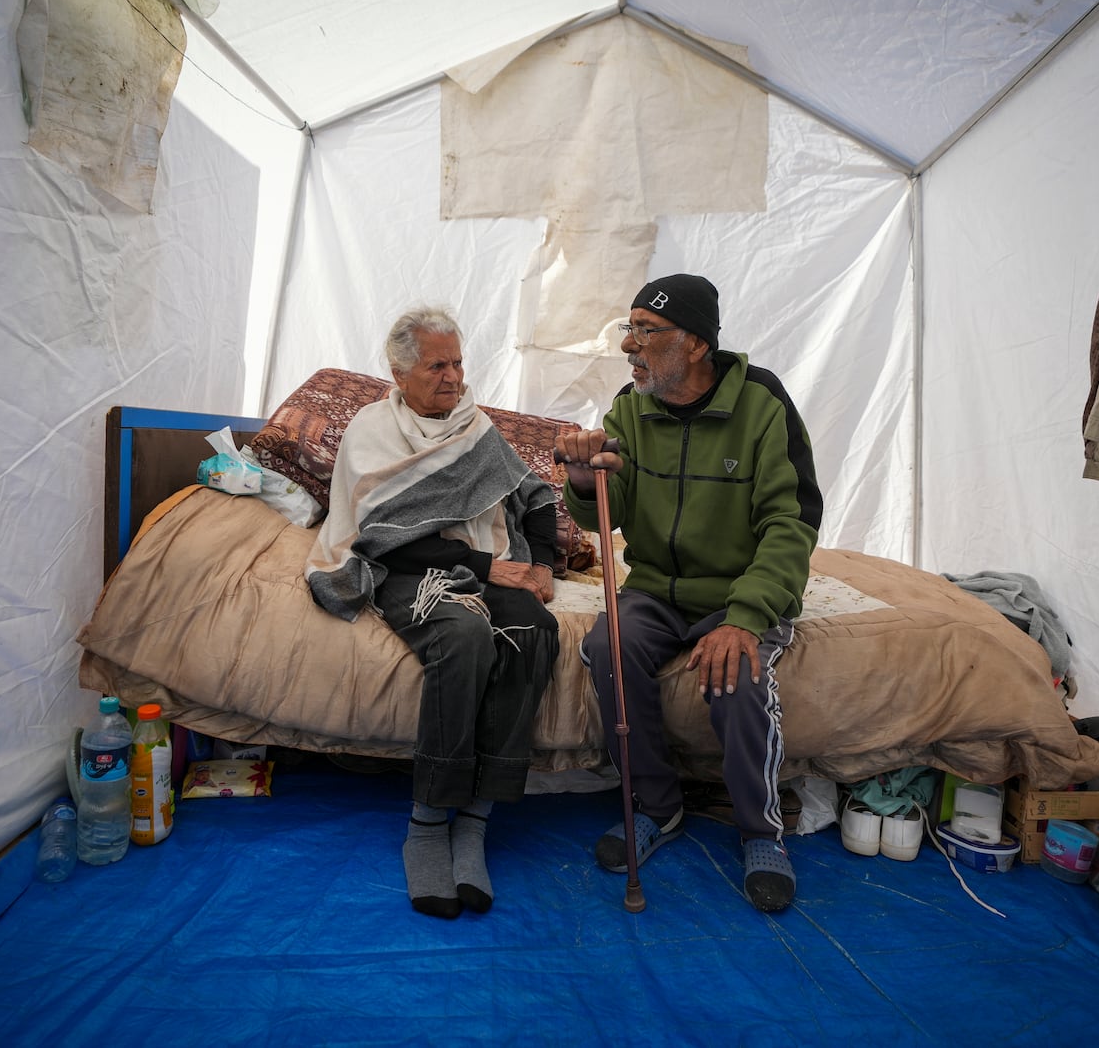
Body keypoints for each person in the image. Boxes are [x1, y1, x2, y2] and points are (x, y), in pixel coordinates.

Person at [554, 274, 822, 913]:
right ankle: (657, 807)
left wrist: (748, 617)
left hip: (739, 591)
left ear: (697, 344)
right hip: (657, 588)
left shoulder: (762, 405)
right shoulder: (630, 406)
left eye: (648, 332)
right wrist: (577, 477)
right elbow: (606, 516)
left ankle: (761, 831)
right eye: (630, 329)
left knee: (736, 673)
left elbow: (791, 523)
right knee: (607, 647)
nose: (630, 346)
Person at [307, 306, 560, 919]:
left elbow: (535, 496)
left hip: (485, 560)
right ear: (399, 373)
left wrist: (545, 563)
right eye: (436, 366)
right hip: (409, 568)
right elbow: (383, 531)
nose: (454, 378)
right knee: (464, 634)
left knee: (533, 629)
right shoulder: (373, 431)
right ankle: (426, 826)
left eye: (458, 362)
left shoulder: (475, 428)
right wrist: (481, 565)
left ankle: (474, 822)